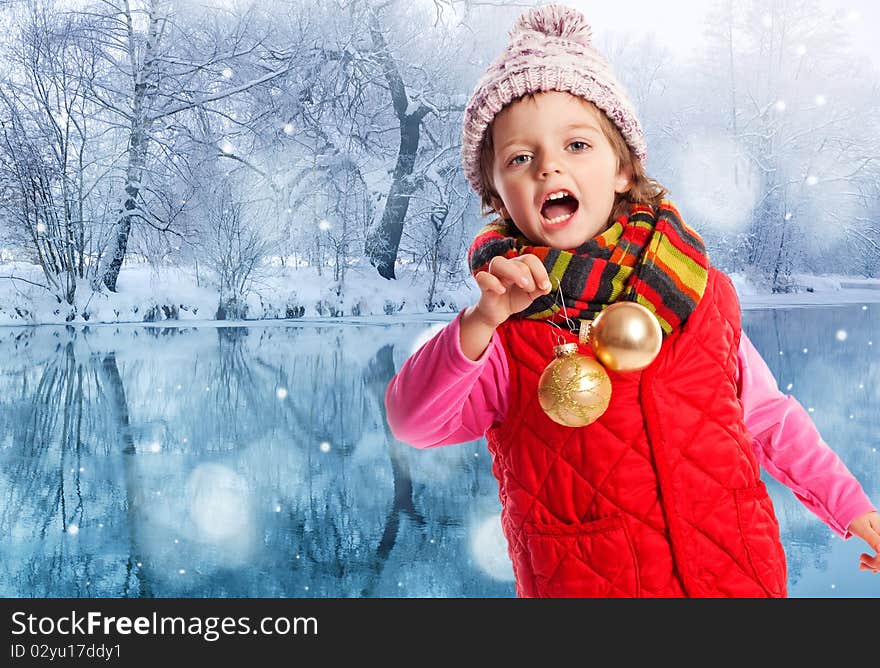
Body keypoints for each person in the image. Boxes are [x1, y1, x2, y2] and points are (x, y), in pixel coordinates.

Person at [384, 3, 880, 597]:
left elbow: (770, 418)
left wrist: (850, 507)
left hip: (738, 576)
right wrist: (480, 322)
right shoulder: (504, 327)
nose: (549, 166)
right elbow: (412, 421)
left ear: (623, 168)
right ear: (496, 192)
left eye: (577, 145)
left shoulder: (700, 294)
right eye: (521, 157)